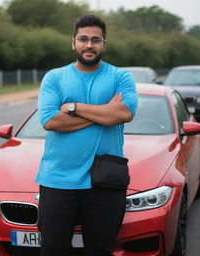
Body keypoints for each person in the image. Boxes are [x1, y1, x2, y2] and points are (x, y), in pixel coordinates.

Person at [36, 14, 138, 256]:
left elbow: (123, 113)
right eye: (83, 39)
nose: (89, 44)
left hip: (105, 181)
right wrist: (104, 112)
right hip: (57, 180)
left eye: (96, 39)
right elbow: (50, 121)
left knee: (100, 250)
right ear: (73, 42)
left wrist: (73, 107)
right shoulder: (54, 77)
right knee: (53, 250)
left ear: (104, 44)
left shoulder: (120, 77)